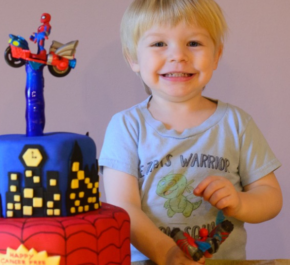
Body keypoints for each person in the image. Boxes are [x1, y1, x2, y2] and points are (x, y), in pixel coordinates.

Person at [98, 0, 283, 264]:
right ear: (133, 58)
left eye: (193, 43)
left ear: (217, 55)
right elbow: (123, 209)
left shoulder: (237, 123)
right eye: (159, 44)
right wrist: (169, 254)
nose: (178, 55)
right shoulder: (126, 126)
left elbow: (271, 196)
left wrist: (241, 203)